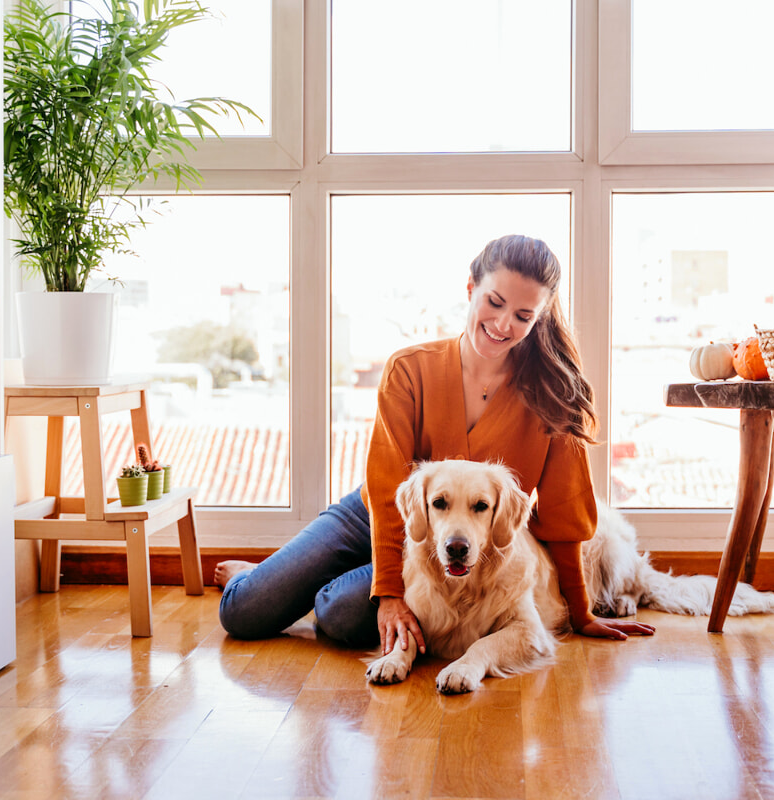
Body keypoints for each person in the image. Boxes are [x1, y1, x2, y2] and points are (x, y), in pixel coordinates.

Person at [215, 234, 656, 656]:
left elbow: (565, 517)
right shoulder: (409, 369)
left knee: (340, 614)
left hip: (458, 542)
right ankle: (265, 579)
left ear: (539, 317)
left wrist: (580, 614)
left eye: (523, 316)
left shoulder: (557, 394)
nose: (503, 325)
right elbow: (389, 488)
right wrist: (388, 592)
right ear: (471, 288)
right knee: (244, 612)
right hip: (379, 513)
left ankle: (312, 584)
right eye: (494, 302)